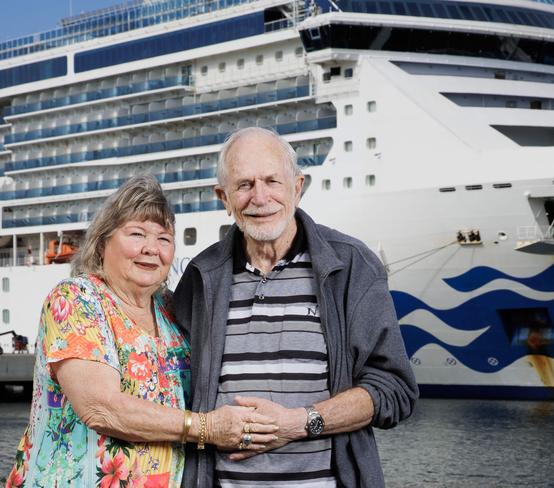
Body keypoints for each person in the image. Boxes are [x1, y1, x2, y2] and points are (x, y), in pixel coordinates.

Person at [174, 127, 418, 487]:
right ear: (223, 197)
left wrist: (300, 423)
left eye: (272, 181)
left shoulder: (350, 266)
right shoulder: (201, 276)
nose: (260, 197)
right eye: (244, 185)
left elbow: (395, 389)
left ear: (297, 187)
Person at [5, 175, 277, 488]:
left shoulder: (168, 308)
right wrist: (209, 428)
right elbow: (101, 408)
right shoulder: (76, 299)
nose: (151, 248)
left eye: (164, 238)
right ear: (103, 241)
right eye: (137, 234)